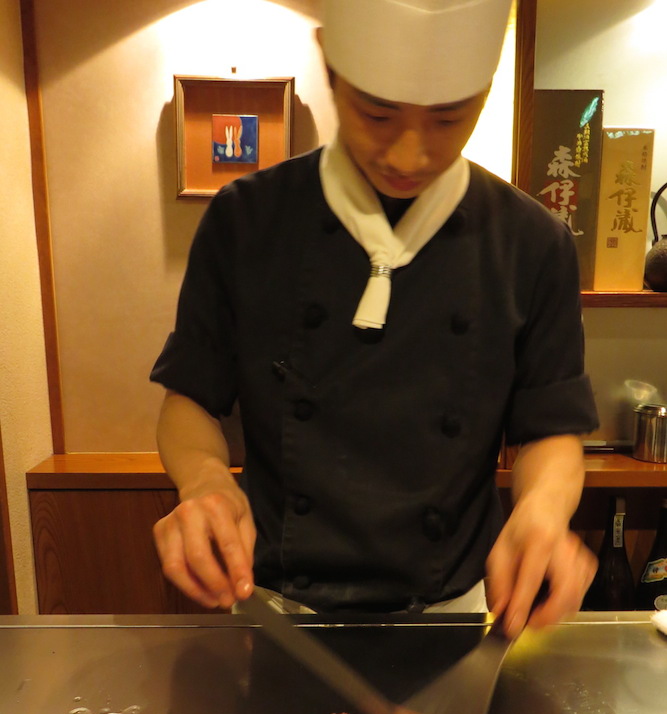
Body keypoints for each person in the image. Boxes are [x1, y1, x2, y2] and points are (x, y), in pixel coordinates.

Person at [150, 0, 599, 637]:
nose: (411, 154)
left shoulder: (534, 243)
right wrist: (204, 483)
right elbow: (189, 398)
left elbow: (550, 427)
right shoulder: (246, 220)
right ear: (332, 69)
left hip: (452, 617)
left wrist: (545, 511)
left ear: (486, 92)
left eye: (449, 118)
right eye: (377, 114)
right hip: (282, 617)